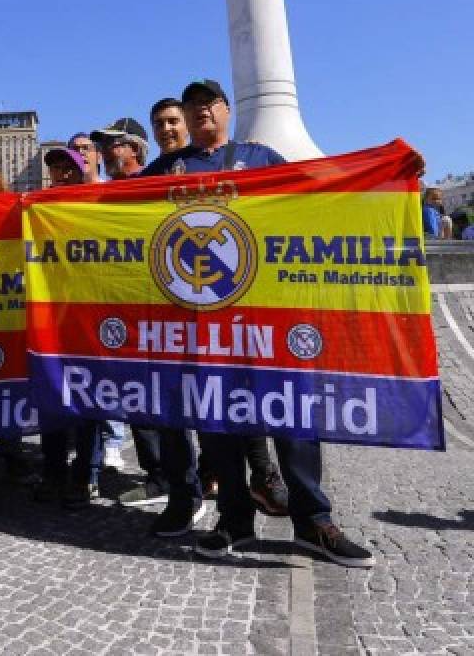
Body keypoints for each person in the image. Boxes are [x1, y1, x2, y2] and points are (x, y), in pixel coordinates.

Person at [144, 78, 373, 568]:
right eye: (192, 106)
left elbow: (315, 197)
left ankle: (314, 520)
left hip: (268, 317)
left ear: (227, 110)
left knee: (291, 417)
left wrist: (383, 176)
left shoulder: (262, 156)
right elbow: (112, 212)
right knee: (220, 423)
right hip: (204, 322)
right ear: (183, 118)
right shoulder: (164, 169)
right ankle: (234, 519)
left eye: (210, 103)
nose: (201, 110)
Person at [33, 143, 108, 509]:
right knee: (52, 398)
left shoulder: (97, 204)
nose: (61, 173)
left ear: (82, 170)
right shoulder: (39, 207)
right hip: (51, 319)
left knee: (88, 399)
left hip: (89, 317)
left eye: (69, 167)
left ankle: (87, 473)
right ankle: (53, 471)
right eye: (56, 168)